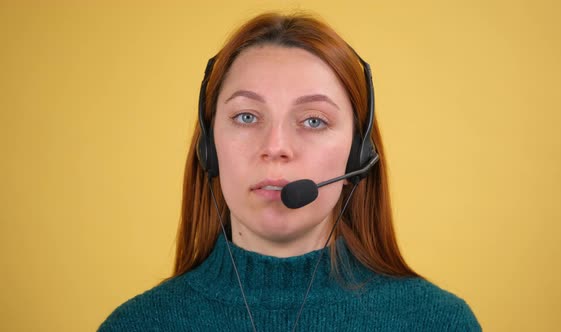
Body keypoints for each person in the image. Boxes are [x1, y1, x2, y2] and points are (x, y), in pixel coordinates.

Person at [99, 12, 481, 331]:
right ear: (209, 149)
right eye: (247, 116)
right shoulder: (134, 325)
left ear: (357, 155)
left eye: (313, 120)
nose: (275, 147)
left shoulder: (440, 323)